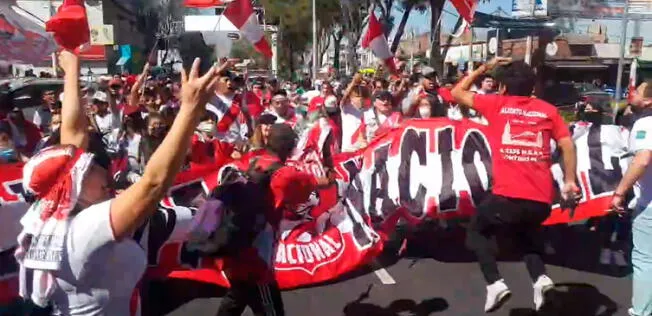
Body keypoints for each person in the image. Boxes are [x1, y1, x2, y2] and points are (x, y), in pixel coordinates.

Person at [14, 51, 225, 315]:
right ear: (73, 188)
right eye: (91, 169)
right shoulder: (83, 231)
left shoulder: (51, 216)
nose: (104, 171)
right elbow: (153, 183)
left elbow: (74, 134)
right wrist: (191, 110)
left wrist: (72, 68)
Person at [451, 58, 579, 313]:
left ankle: (495, 283)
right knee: (525, 237)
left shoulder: (496, 104)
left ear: (502, 88)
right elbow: (567, 144)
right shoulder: (547, 110)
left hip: (508, 198)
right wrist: (570, 181)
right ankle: (542, 281)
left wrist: (483, 68)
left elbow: (456, 93)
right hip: (542, 200)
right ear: (532, 87)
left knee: (476, 230)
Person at [215, 123, 332, 316]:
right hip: (256, 258)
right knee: (270, 307)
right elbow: (323, 184)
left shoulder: (252, 161)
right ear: (291, 147)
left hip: (231, 245)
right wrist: (327, 158)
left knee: (236, 297)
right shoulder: (286, 175)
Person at [611, 90, 652, 316]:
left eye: (637, 90)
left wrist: (620, 192)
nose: (631, 92)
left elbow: (643, 158)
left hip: (650, 205)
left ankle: (642, 312)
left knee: (646, 260)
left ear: (648, 101)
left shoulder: (646, 122)